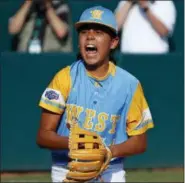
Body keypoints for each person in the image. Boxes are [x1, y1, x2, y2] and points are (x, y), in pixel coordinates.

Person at [36, 5, 154, 182]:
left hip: (110, 170)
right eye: (84, 32)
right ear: (78, 41)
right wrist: (73, 143)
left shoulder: (130, 85)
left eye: (99, 31)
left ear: (113, 42)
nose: (90, 36)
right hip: (68, 168)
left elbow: (140, 142)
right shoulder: (64, 78)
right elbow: (43, 136)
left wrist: (107, 151)